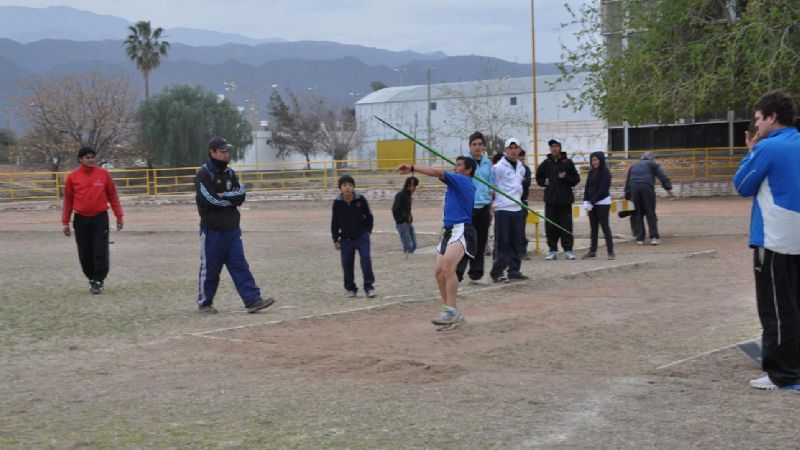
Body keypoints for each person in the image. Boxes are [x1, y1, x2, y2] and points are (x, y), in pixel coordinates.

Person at [733, 90, 800, 391]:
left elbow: (742, 185)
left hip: (775, 238)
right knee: (794, 303)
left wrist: (752, 151)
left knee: (775, 306)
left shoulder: (767, 147)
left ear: (772, 118)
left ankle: (783, 374)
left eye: (759, 119)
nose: (756, 125)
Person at [195, 136, 274, 314]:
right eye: (223, 151)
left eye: (227, 151)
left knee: (240, 265)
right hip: (212, 231)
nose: (226, 154)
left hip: (232, 229)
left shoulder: (230, 173)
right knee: (211, 268)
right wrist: (230, 200)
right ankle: (205, 303)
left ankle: (252, 300)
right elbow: (210, 200)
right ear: (212, 152)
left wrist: (225, 196)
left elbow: (241, 194)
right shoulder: (203, 174)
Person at [396, 157, 477, 330]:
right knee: (439, 273)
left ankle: (451, 311)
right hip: (448, 231)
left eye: (459, 165)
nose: (455, 167)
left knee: (448, 267)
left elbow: (437, 172)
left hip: (461, 229)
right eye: (455, 165)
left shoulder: (463, 180)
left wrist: (412, 167)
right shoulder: (455, 183)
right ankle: (451, 313)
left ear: (468, 170)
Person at [62, 146, 124, 294]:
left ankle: (99, 280)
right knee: (85, 251)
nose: (90, 160)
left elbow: (112, 196)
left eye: (92, 157)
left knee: (100, 250)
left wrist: (119, 216)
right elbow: (68, 201)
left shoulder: (104, 174)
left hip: (100, 218)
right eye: (87, 157)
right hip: (81, 219)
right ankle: (91, 277)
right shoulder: (72, 177)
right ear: (80, 160)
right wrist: (65, 222)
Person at [456, 131, 494, 285]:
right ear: (470, 146)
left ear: (484, 146)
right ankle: (456, 274)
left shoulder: (487, 163)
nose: (477, 147)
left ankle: (476, 275)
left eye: (480, 144)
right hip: (468, 207)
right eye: (474, 144)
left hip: (484, 206)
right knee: (465, 242)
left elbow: (490, 186)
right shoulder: (463, 162)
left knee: (480, 242)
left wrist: (490, 207)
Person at [489, 138, 528, 282]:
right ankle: (497, 272)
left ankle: (514, 270)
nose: (513, 151)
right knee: (503, 241)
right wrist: (491, 206)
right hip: (503, 209)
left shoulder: (521, 167)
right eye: (510, 148)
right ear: (506, 150)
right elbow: (492, 187)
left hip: (517, 207)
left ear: (519, 149)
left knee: (516, 241)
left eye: (516, 148)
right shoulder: (498, 168)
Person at [331, 175, 376, 298]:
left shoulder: (360, 199)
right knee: (346, 264)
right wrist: (335, 239)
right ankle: (351, 289)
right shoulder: (337, 202)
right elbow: (335, 221)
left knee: (366, 260)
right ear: (340, 188)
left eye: (350, 185)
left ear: (353, 187)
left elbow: (369, 216)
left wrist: (368, 231)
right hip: (346, 239)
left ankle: (369, 287)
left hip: (361, 237)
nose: (347, 188)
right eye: (344, 185)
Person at [535, 139, 580, 260]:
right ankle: (552, 250)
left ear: (560, 148)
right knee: (550, 227)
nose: (554, 148)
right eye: (552, 146)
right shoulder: (546, 163)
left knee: (566, 226)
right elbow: (538, 177)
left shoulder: (568, 162)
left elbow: (576, 179)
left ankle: (568, 250)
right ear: (550, 149)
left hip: (565, 201)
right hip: (551, 201)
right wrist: (543, 182)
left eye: (556, 146)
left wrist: (565, 177)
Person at [624, 152, 675, 245]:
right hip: (647, 188)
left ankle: (640, 239)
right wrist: (669, 189)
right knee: (650, 212)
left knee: (638, 213)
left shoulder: (633, 165)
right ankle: (654, 237)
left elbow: (627, 182)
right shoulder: (652, 164)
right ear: (651, 159)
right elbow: (662, 176)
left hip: (634, 188)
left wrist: (627, 197)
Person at [581, 151, 615, 260]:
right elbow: (587, 186)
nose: (594, 162)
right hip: (592, 203)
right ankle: (592, 251)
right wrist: (586, 200)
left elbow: (603, 189)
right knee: (593, 227)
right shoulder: (591, 172)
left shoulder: (605, 172)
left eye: (596, 160)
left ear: (601, 160)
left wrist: (592, 201)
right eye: (592, 160)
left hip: (603, 202)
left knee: (605, 226)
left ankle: (610, 252)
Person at [392, 176, 419, 257]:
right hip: (402, 224)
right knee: (408, 245)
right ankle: (407, 259)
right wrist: (402, 219)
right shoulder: (400, 195)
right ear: (409, 185)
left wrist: (410, 217)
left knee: (414, 244)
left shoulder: (408, 195)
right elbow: (395, 209)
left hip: (408, 223)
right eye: (414, 186)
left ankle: (408, 257)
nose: (415, 188)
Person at [519, 149, 533, 260]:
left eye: (523, 157)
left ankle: (522, 251)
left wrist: (519, 179)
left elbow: (527, 183)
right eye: (521, 157)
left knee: (521, 227)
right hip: (510, 202)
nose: (522, 159)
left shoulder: (526, 169)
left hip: (522, 202)